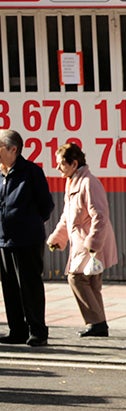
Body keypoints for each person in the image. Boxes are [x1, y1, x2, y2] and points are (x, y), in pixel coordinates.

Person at [46, 143, 118, 338]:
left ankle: (97, 323)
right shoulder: (73, 182)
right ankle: (99, 325)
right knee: (91, 283)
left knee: (76, 278)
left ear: (74, 163)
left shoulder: (88, 183)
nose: (57, 167)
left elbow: (100, 215)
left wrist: (94, 243)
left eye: (61, 163)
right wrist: (57, 238)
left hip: (89, 244)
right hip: (84, 243)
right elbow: (67, 217)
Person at [0, 129, 54, 347]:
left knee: (29, 286)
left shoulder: (31, 172)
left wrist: (28, 222)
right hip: (3, 239)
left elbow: (46, 206)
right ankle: (17, 330)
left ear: (13, 149)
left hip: (27, 239)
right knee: (9, 287)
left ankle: (38, 331)